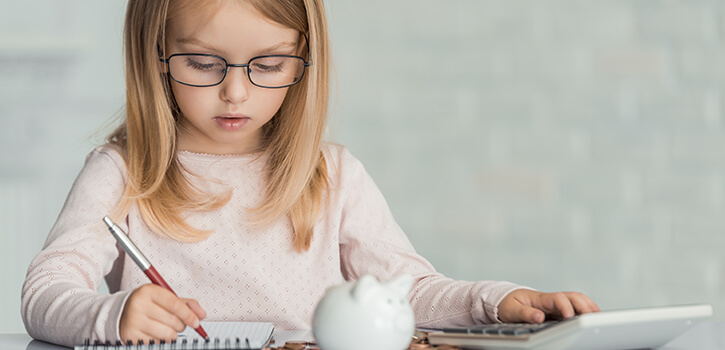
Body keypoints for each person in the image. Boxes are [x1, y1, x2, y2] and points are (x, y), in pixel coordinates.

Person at [21, 0, 600, 347]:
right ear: (155, 55)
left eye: (269, 65)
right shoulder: (123, 172)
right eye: (202, 63)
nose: (236, 91)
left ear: (302, 60)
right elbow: (46, 293)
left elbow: (408, 292)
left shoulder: (331, 174)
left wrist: (498, 302)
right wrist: (111, 314)